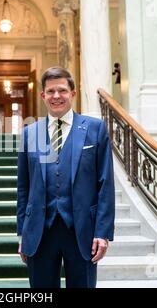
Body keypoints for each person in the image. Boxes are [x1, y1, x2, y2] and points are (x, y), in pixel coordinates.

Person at [17, 66, 115, 288]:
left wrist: (103, 232)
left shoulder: (95, 129)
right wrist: (24, 233)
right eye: (50, 91)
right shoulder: (29, 133)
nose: (56, 96)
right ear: (43, 96)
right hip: (40, 232)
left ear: (73, 93)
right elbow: (24, 188)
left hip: (83, 231)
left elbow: (105, 184)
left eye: (62, 90)